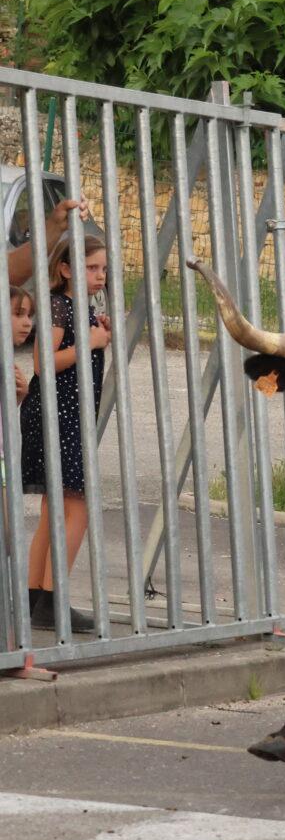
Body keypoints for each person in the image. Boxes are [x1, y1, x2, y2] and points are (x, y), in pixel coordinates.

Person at [20, 233, 109, 633]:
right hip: (59, 418)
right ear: (66, 269)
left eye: (104, 268)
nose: (100, 275)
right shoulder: (60, 306)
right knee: (77, 509)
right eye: (92, 268)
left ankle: (36, 598)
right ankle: (53, 600)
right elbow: (42, 362)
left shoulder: (79, 308)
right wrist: (90, 341)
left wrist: (96, 333)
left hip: (68, 417)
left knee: (53, 510)